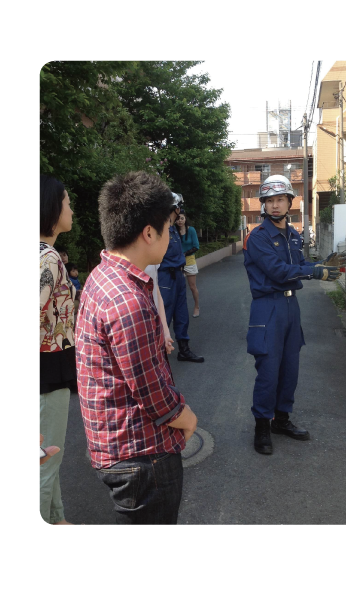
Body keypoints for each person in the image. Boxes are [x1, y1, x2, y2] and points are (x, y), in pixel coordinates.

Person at [75, 172, 198, 525]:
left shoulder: (102, 275)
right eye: (167, 227)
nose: (171, 236)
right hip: (141, 454)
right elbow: (153, 393)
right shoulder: (127, 300)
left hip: (117, 444)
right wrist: (187, 417)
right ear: (148, 233)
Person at [243, 174, 346, 455]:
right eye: (269, 201)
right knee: (268, 371)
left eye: (280, 199)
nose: (275, 205)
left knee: (290, 369)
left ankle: (281, 420)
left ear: (290, 202)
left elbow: (299, 264)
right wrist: (313, 271)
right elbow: (278, 271)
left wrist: (321, 264)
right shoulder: (258, 237)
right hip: (268, 307)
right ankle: (262, 427)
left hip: (291, 307)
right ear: (263, 204)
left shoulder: (293, 235)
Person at [39, 174, 77, 524]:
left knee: (47, 456)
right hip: (48, 371)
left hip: (49, 369)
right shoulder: (48, 258)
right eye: (67, 202)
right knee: (46, 462)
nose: (71, 209)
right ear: (52, 208)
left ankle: (59, 518)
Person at [157, 193, 204, 363]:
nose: (180, 211)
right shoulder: (160, 230)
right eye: (179, 207)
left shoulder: (172, 229)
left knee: (181, 313)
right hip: (166, 276)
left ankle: (184, 349)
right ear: (175, 209)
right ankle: (159, 354)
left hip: (178, 275)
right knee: (165, 314)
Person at [175, 211, 200, 317]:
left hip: (189, 260)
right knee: (177, 287)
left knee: (192, 286)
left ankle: (196, 307)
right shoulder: (174, 231)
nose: (180, 221)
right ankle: (176, 311)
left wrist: (184, 254)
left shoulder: (191, 230)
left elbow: (196, 246)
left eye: (182, 218)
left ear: (185, 219)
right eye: (177, 219)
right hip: (177, 261)